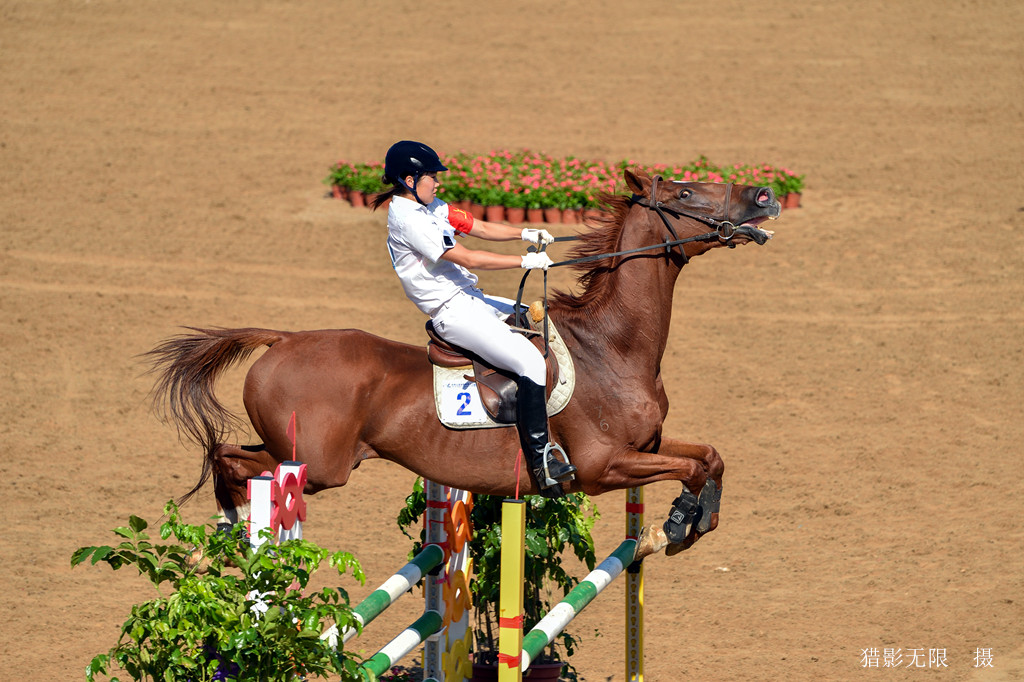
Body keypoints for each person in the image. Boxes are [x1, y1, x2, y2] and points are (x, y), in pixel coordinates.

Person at [372, 140, 576, 493]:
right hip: (451, 311)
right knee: (530, 362)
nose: (438, 183)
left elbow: (478, 227)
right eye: (431, 177)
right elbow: (468, 258)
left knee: (532, 317)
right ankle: (542, 461)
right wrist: (524, 260)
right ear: (409, 179)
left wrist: (524, 233)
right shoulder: (409, 221)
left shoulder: (430, 206)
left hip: (470, 298)